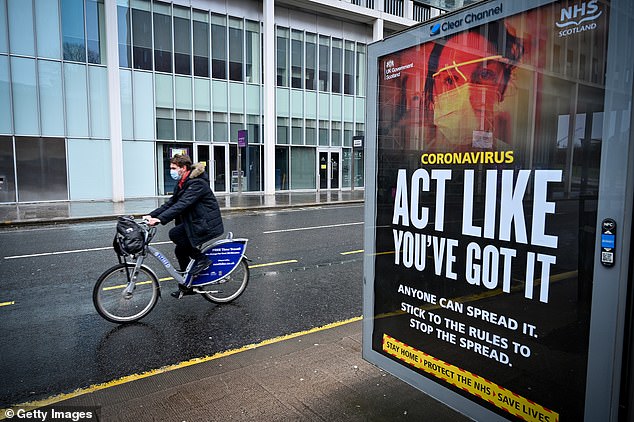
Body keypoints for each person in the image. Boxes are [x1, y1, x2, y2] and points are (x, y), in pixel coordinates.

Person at [422, 22, 525, 151]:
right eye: (451, 79)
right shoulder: (419, 161)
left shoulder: (509, 160)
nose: (467, 95)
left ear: (501, 88)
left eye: (484, 74)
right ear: (432, 94)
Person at [144, 154, 224, 298]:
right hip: (194, 222)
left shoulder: (197, 183)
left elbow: (182, 204)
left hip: (205, 223)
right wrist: (152, 215)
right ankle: (188, 285)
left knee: (175, 234)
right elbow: (171, 203)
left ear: (184, 168)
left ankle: (202, 259)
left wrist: (160, 219)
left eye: (174, 168)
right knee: (180, 251)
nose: (171, 171)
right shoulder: (183, 182)